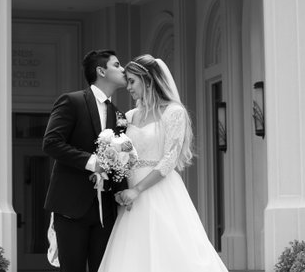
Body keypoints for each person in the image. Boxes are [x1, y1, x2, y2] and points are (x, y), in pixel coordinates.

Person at [98, 54, 230, 272]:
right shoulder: (128, 116)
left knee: (169, 250)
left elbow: (170, 159)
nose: (128, 87)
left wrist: (138, 190)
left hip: (159, 190)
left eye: (132, 81)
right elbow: (118, 150)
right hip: (130, 194)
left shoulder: (174, 112)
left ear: (147, 80)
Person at [43, 49, 127, 272]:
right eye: (117, 65)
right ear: (101, 71)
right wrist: (92, 162)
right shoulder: (72, 101)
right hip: (71, 206)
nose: (123, 69)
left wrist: (123, 192)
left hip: (106, 209)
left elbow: (119, 160)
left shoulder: (119, 115)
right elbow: (51, 142)